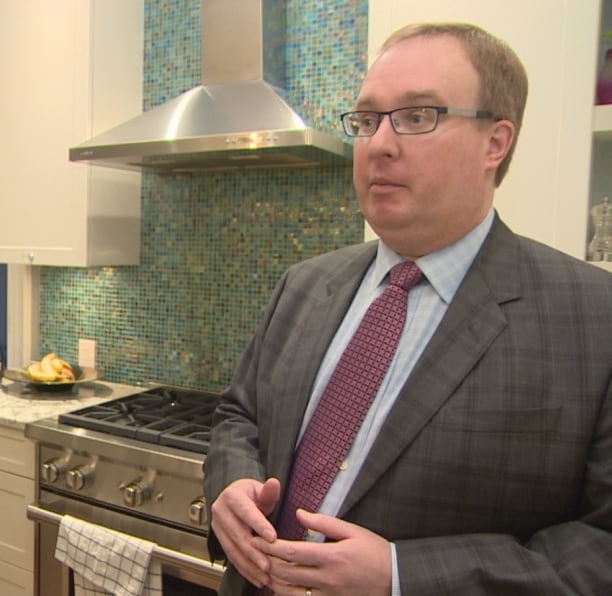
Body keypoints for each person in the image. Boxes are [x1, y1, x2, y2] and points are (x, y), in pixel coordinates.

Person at [203, 21, 612, 596]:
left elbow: (602, 546)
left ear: (495, 142)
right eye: (367, 120)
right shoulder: (304, 285)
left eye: (418, 117)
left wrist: (403, 576)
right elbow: (238, 417)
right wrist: (232, 486)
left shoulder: (595, 320)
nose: (380, 143)